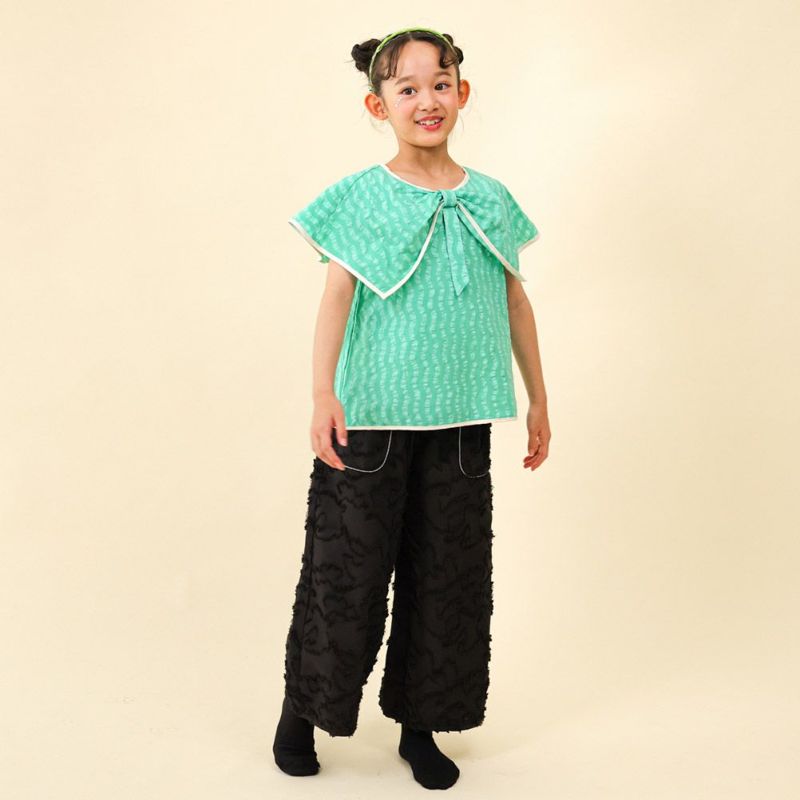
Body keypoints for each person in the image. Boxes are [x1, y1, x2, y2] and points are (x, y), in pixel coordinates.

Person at [272, 26, 551, 790]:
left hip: (461, 421)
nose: (427, 100)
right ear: (379, 105)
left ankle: (420, 727)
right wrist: (323, 393)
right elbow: (336, 296)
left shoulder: (491, 198)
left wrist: (538, 398)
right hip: (371, 421)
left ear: (462, 92)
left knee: (448, 577)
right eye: (408, 88)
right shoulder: (362, 196)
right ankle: (303, 709)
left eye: (440, 83)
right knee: (346, 573)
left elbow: (515, 300)